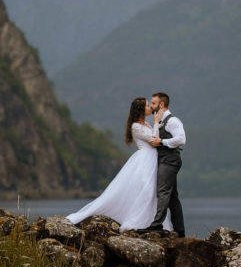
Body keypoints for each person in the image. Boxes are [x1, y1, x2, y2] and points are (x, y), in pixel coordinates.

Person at [66, 97, 172, 232]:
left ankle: (152, 221)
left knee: (152, 191)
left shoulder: (146, 125)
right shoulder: (136, 126)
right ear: (140, 110)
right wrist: (157, 123)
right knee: (146, 189)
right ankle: (139, 221)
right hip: (144, 160)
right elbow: (153, 140)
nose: (150, 108)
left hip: (151, 159)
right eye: (146, 106)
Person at [141, 92, 186, 237]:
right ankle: (180, 231)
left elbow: (181, 139)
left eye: (153, 103)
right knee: (172, 197)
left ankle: (156, 225)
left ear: (161, 105)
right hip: (165, 160)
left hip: (170, 160)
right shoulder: (160, 120)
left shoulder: (173, 121)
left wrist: (162, 142)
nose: (151, 105)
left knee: (163, 192)